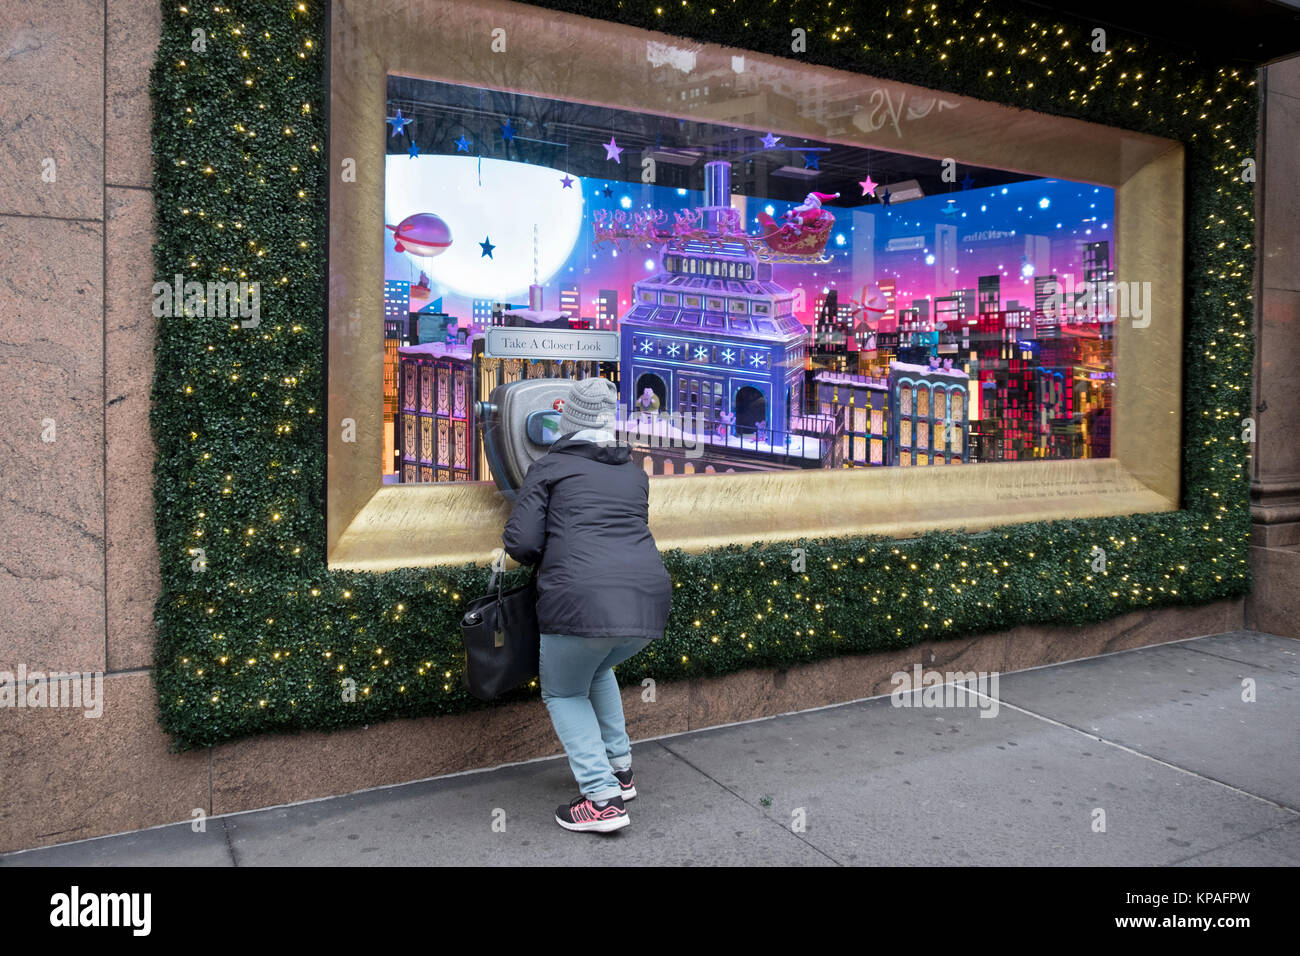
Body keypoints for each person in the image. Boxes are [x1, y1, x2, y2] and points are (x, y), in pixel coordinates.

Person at [502, 377, 672, 834]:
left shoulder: (550, 468)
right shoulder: (633, 470)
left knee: (563, 691)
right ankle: (620, 770)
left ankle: (601, 800)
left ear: (566, 420)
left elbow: (521, 541)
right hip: (647, 602)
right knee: (596, 670)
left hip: (580, 600)